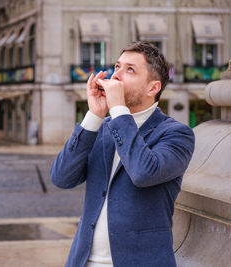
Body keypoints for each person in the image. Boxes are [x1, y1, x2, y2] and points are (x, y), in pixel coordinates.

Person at [50, 41, 195, 266]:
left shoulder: (176, 134)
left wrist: (118, 109)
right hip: (83, 260)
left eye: (130, 70)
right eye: (117, 66)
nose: (115, 75)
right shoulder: (100, 128)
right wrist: (94, 116)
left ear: (152, 88)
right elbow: (61, 177)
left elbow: (143, 173)